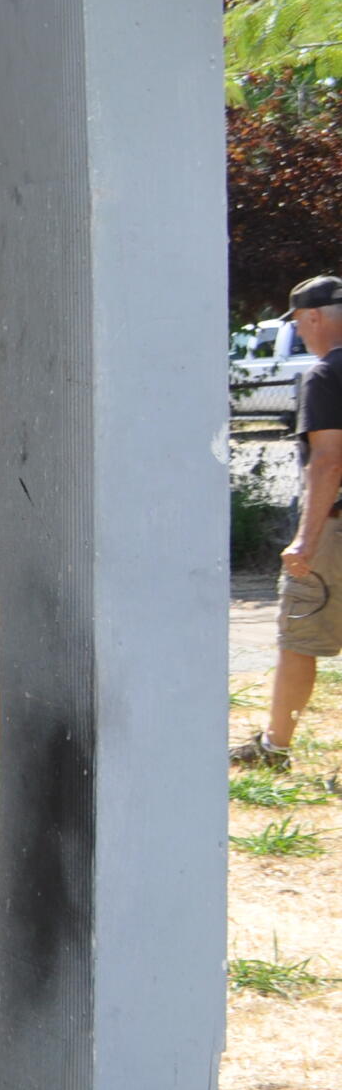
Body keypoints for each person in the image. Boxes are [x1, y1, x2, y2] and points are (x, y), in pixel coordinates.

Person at [243, 275, 342, 765]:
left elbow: (328, 462)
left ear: (315, 317)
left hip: (335, 530)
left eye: (300, 323)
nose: (300, 334)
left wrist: (305, 540)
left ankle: (274, 748)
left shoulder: (327, 374)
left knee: (298, 634)